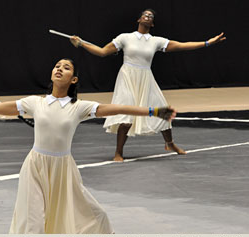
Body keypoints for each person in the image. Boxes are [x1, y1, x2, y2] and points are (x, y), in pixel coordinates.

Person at [0, 58, 176, 234]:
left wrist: (152, 111)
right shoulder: (35, 102)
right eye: (57, 66)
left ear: (74, 79)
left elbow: (116, 108)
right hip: (35, 167)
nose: (60, 69)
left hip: (64, 170)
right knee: (32, 221)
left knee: (95, 215)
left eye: (66, 67)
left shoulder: (79, 107)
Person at [70, 8, 226, 161]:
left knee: (164, 111)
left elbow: (181, 45)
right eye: (145, 14)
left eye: (151, 16)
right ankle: (118, 152)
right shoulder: (125, 37)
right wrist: (81, 43)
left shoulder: (155, 41)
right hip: (127, 78)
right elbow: (102, 52)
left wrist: (207, 43)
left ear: (152, 24)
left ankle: (169, 144)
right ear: (139, 20)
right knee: (125, 114)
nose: (148, 16)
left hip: (146, 78)